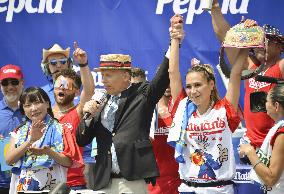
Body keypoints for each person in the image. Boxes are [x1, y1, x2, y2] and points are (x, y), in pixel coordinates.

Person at [167, 15, 248, 193]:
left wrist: (246, 40)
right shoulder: (183, 108)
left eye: (198, 85)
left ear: (211, 85)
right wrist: (175, 37)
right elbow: (173, 72)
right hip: (188, 189)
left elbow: (235, 74)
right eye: (188, 86)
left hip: (219, 189)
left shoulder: (224, 109)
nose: (192, 91)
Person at [76, 48, 173, 193]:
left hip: (132, 181)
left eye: (108, 75)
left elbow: (163, 77)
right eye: (102, 75)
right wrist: (88, 117)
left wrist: (174, 43)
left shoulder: (141, 93)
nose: (103, 80)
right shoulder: (99, 100)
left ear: (126, 76)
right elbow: (81, 140)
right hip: (103, 181)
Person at [211, 0, 284, 149]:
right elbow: (225, 38)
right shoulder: (249, 65)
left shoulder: (280, 66)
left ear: (279, 46)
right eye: (258, 40)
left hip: (275, 143)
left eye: (266, 40)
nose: (261, 44)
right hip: (250, 145)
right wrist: (215, 9)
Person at [5, 87, 73, 193]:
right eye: (28, 105)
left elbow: (68, 162)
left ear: (47, 104)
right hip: (24, 187)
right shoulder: (18, 131)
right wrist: (30, 140)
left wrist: (48, 152)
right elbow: (8, 160)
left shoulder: (62, 128)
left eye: (37, 103)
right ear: (23, 109)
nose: (33, 108)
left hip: (53, 187)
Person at [148, 15, 187, 194]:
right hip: (153, 185)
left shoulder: (180, 105)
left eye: (168, 81)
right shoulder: (146, 108)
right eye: (162, 82)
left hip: (181, 183)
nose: (167, 85)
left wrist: (175, 41)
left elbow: (173, 71)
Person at [52, 43, 94, 190]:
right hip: (48, 183)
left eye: (66, 86)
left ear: (76, 92)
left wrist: (83, 64)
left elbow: (88, 91)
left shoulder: (78, 111)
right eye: (59, 85)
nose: (61, 88)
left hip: (74, 184)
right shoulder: (44, 114)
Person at [239, 84, 284, 194]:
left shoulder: (282, 134)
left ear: (276, 106)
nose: (265, 104)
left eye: (267, 101)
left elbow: (270, 179)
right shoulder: (278, 128)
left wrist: (250, 152)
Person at [0, 64, 24, 194]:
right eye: (5, 83)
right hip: (2, 184)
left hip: (27, 182)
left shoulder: (33, 111)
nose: (10, 87)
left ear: (22, 83)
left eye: (14, 82)